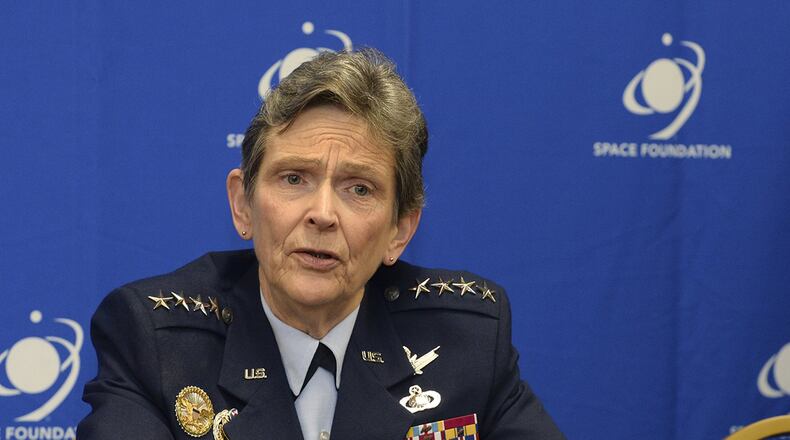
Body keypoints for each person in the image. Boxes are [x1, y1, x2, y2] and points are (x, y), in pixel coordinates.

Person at [77, 48, 564, 440]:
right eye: (294, 178)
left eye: (359, 189)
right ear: (243, 206)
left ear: (400, 230)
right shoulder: (156, 342)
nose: (323, 214)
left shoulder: (467, 340)